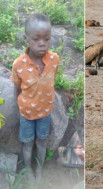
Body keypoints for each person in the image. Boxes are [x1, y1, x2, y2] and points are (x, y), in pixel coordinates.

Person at [10, 13, 59, 183]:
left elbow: (51, 80)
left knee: (42, 142)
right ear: (26, 38)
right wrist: (20, 107)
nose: (42, 43)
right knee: (27, 143)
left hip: (45, 112)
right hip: (27, 114)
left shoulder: (54, 59)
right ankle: (28, 169)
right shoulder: (18, 64)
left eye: (46, 39)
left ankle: (39, 169)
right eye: (36, 39)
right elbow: (17, 89)